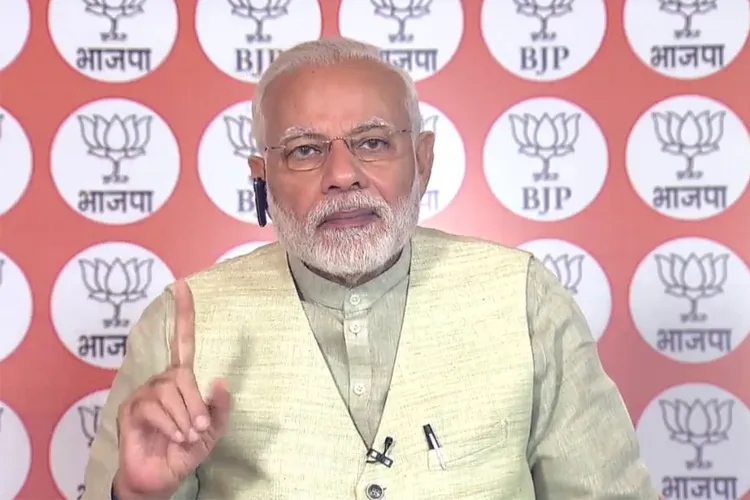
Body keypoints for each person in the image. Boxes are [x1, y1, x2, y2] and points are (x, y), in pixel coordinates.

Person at [81, 37, 659, 499]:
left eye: (373, 142)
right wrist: (135, 495)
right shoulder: (179, 323)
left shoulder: (525, 300)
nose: (342, 175)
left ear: (423, 160)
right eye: (305, 150)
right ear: (262, 178)